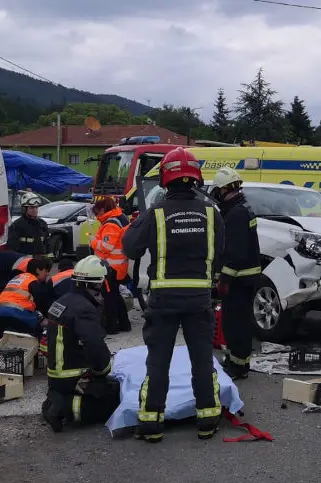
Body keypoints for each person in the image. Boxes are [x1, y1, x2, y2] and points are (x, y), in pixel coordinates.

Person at [122, 146, 226, 443]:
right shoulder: (212, 213)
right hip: (199, 300)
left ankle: (151, 425)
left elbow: (130, 247)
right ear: (196, 178)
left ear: (165, 179)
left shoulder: (155, 213)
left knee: (158, 362)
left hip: (163, 300)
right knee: (202, 361)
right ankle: (207, 421)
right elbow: (220, 253)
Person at [41, 256, 119, 433]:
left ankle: (57, 399)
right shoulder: (83, 308)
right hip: (71, 374)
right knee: (112, 401)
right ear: (96, 284)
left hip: (57, 373)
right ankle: (63, 407)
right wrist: (103, 370)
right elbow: (94, 345)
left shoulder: (62, 301)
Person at [205, 167, 261, 381]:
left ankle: (239, 367)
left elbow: (235, 253)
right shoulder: (241, 208)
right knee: (232, 323)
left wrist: (224, 280)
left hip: (240, 280)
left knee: (237, 325)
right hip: (243, 278)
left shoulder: (236, 213)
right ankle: (234, 361)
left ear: (224, 189)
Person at [90, 196, 131, 334]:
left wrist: (93, 241)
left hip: (110, 267)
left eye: (97, 212)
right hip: (118, 266)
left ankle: (112, 327)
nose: (96, 216)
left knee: (109, 298)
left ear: (102, 209)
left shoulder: (111, 224)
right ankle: (124, 324)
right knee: (115, 295)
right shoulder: (121, 218)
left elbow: (107, 246)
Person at [0, 257, 54, 336]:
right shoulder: (32, 280)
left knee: (2, 336)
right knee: (38, 332)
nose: (47, 274)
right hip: (16, 315)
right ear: (38, 270)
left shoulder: (17, 278)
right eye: (45, 271)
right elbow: (41, 302)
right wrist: (50, 317)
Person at [7, 192, 51, 257]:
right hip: (25, 261)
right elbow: (12, 248)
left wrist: (49, 259)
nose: (35, 210)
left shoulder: (42, 224)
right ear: (24, 209)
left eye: (36, 207)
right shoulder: (17, 225)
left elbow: (48, 244)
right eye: (32, 208)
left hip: (41, 261)